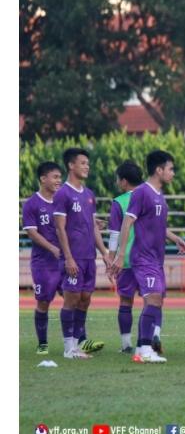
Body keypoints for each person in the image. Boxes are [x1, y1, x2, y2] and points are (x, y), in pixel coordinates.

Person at [111, 150, 185, 363]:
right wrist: (119, 256)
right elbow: (127, 222)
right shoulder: (142, 192)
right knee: (152, 298)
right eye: (170, 169)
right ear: (159, 169)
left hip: (156, 259)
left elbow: (158, 226)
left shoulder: (158, 196)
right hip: (143, 258)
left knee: (156, 301)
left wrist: (175, 238)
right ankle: (144, 349)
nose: (173, 173)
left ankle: (141, 347)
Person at [53, 148, 110, 359]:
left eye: (88, 163)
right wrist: (68, 257)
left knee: (85, 299)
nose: (87, 166)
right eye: (83, 163)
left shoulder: (89, 195)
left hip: (89, 258)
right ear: (71, 165)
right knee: (72, 299)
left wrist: (104, 252)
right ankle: (69, 348)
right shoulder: (63, 194)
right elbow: (60, 228)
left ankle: (77, 345)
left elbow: (93, 227)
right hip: (73, 257)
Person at [22, 161, 64, 355]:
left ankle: (79, 341)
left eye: (59, 177)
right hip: (43, 264)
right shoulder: (32, 204)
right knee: (44, 303)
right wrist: (52, 248)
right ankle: (43, 343)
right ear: (43, 178)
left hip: (65, 261)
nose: (59, 181)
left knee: (77, 297)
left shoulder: (62, 201)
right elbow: (32, 233)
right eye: (55, 177)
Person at [107, 160, 144, 354]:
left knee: (125, 302)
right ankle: (151, 339)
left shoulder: (119, 202)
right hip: (150, 260)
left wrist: (111, 259)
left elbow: (114, 234)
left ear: (123, 181)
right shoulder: (152, 196)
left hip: (127, 260)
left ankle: (126, 344)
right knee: (152, 301)